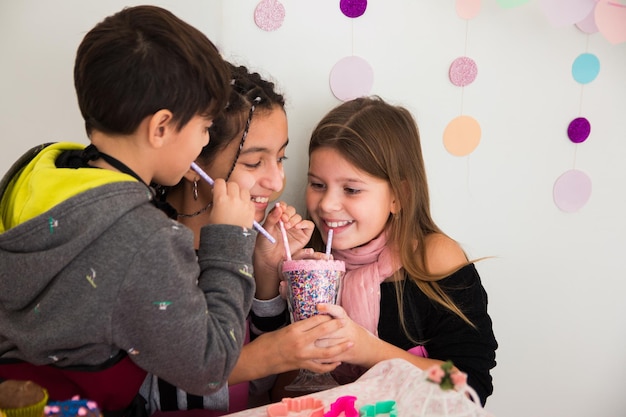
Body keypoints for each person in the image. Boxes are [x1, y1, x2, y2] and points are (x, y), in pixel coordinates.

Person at [0, 6, 257, 416]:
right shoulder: (142, 237)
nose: (205, 141)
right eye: (205, 127)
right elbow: (208, 365)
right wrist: (229, 240)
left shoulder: (37, 168)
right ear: (160, 127)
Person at [143, 63, 351, 415]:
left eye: (281, 158)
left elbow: (258, 390)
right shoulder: (152, 246)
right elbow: (163, 387)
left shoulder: (244, 243)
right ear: (193, 161)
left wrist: (266, 273)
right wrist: (273, 353)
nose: (277, 181)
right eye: (254, 163)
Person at [300, 96, 498, 405]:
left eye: (351, 189)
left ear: (399, 196)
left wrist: (370, 352)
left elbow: (467, 385)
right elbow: (279, 390)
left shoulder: (432, 259)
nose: (326, 205)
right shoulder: (308, 265)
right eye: (316, 184)